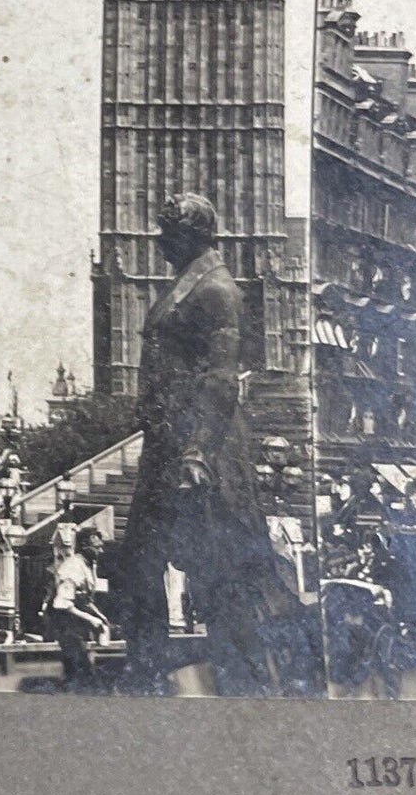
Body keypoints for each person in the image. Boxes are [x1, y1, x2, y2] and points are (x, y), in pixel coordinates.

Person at [117, 193, 324, 697]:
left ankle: (247, 685)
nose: (159, 239)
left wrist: (197, 452)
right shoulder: (184, 287)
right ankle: (147, 673)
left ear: (194, 235)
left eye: (168, 231)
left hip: (199, 450)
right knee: (138, 563)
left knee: (222, 575)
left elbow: (220, 378)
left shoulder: (218, 290)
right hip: (166, 443)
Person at [49, 527, 109, 690]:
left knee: (81, 671)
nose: (101, 551)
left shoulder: (87, 566)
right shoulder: (73, 567)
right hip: (64, 624)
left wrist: (100, 616)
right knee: (82, 672)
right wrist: (91, 619)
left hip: (76, 626)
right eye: (97, 547)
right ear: (84, 546)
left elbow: (85, 599)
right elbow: (62, 603)